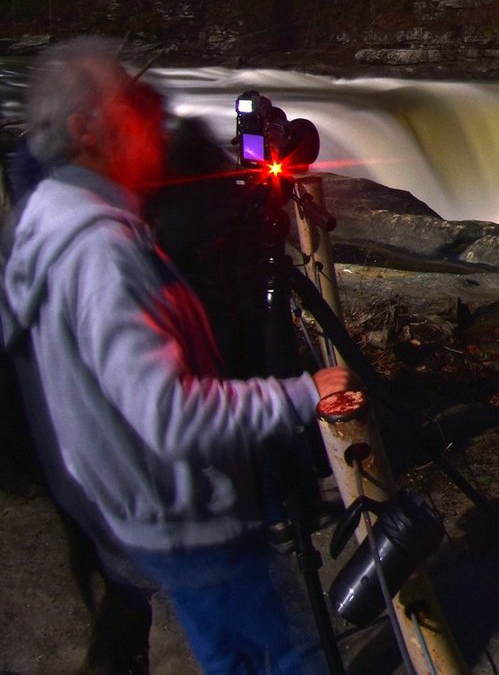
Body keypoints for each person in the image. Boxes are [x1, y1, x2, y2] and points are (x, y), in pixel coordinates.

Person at [1, 38, 350, 675]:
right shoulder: (103, 256)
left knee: (231, 656)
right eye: (131, 112)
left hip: (136, 514)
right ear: (87, 131)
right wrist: (304, 393)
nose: (152, 129)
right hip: (188, 519)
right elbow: (171, 416)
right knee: (291, 657)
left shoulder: (44, 225)